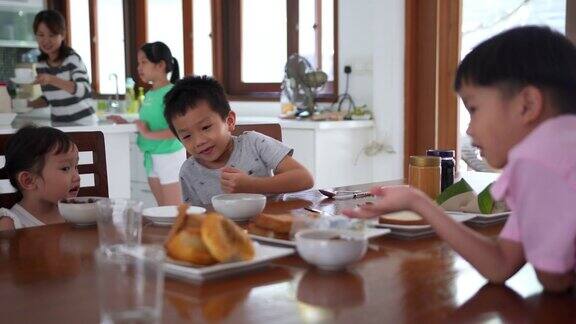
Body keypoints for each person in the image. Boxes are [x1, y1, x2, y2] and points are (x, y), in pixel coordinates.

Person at [344, 26, 576, 293]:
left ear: (527, 105)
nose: (469, 129)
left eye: (474, 109)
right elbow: (500, 264)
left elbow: (554, 279)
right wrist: (416, 201)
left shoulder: (537, 162)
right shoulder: (554, 156)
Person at [163, 76, 314, 205]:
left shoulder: (254, 143)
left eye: (206, 127)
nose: (198, 141)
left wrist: (252, 185)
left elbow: (304, 178)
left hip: (269, 227)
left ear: (229, 121)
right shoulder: (188, 171)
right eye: (187, 136)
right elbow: (195, 218)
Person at [109, 42, 185, 206]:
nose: (139, 67)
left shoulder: (172, 93)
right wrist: (126, 124)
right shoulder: (150, 94)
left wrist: (147, 134)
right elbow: (150, 126)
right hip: (152, 159)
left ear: (160, 65)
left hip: (169, 158)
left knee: (174, 212)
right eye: (138, 63)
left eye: (144, 62)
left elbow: (178, 130)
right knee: (162, 210)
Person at [0, 126, 80, 231]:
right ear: (28, 181)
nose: (77, 177)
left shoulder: (76, 213)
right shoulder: (11, 225)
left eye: (76, 167)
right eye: (65, 168)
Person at [28, 10, 96, 124]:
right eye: (41, 35)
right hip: (59, 126)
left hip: (84, 124)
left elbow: (84, 90)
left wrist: (51, 79)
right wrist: (27, 105)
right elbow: (50, 98)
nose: (46, 40)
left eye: (52, 35)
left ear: (63, 35)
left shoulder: (72, 59)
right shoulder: (41, 65)